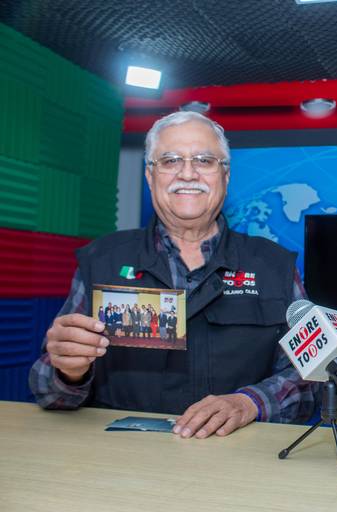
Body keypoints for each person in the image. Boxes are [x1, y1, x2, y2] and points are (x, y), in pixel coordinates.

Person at [29, 111, 317, 439]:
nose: (188, 172)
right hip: (122, 463)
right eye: (169, 160)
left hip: (239, 464)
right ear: (150, 176)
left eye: (205, 160)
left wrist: (248, 402)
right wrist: (69, 373)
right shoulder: (101, 260)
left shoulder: (274, 266)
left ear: (225, 175)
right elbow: (47, 391)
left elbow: (310, 377)